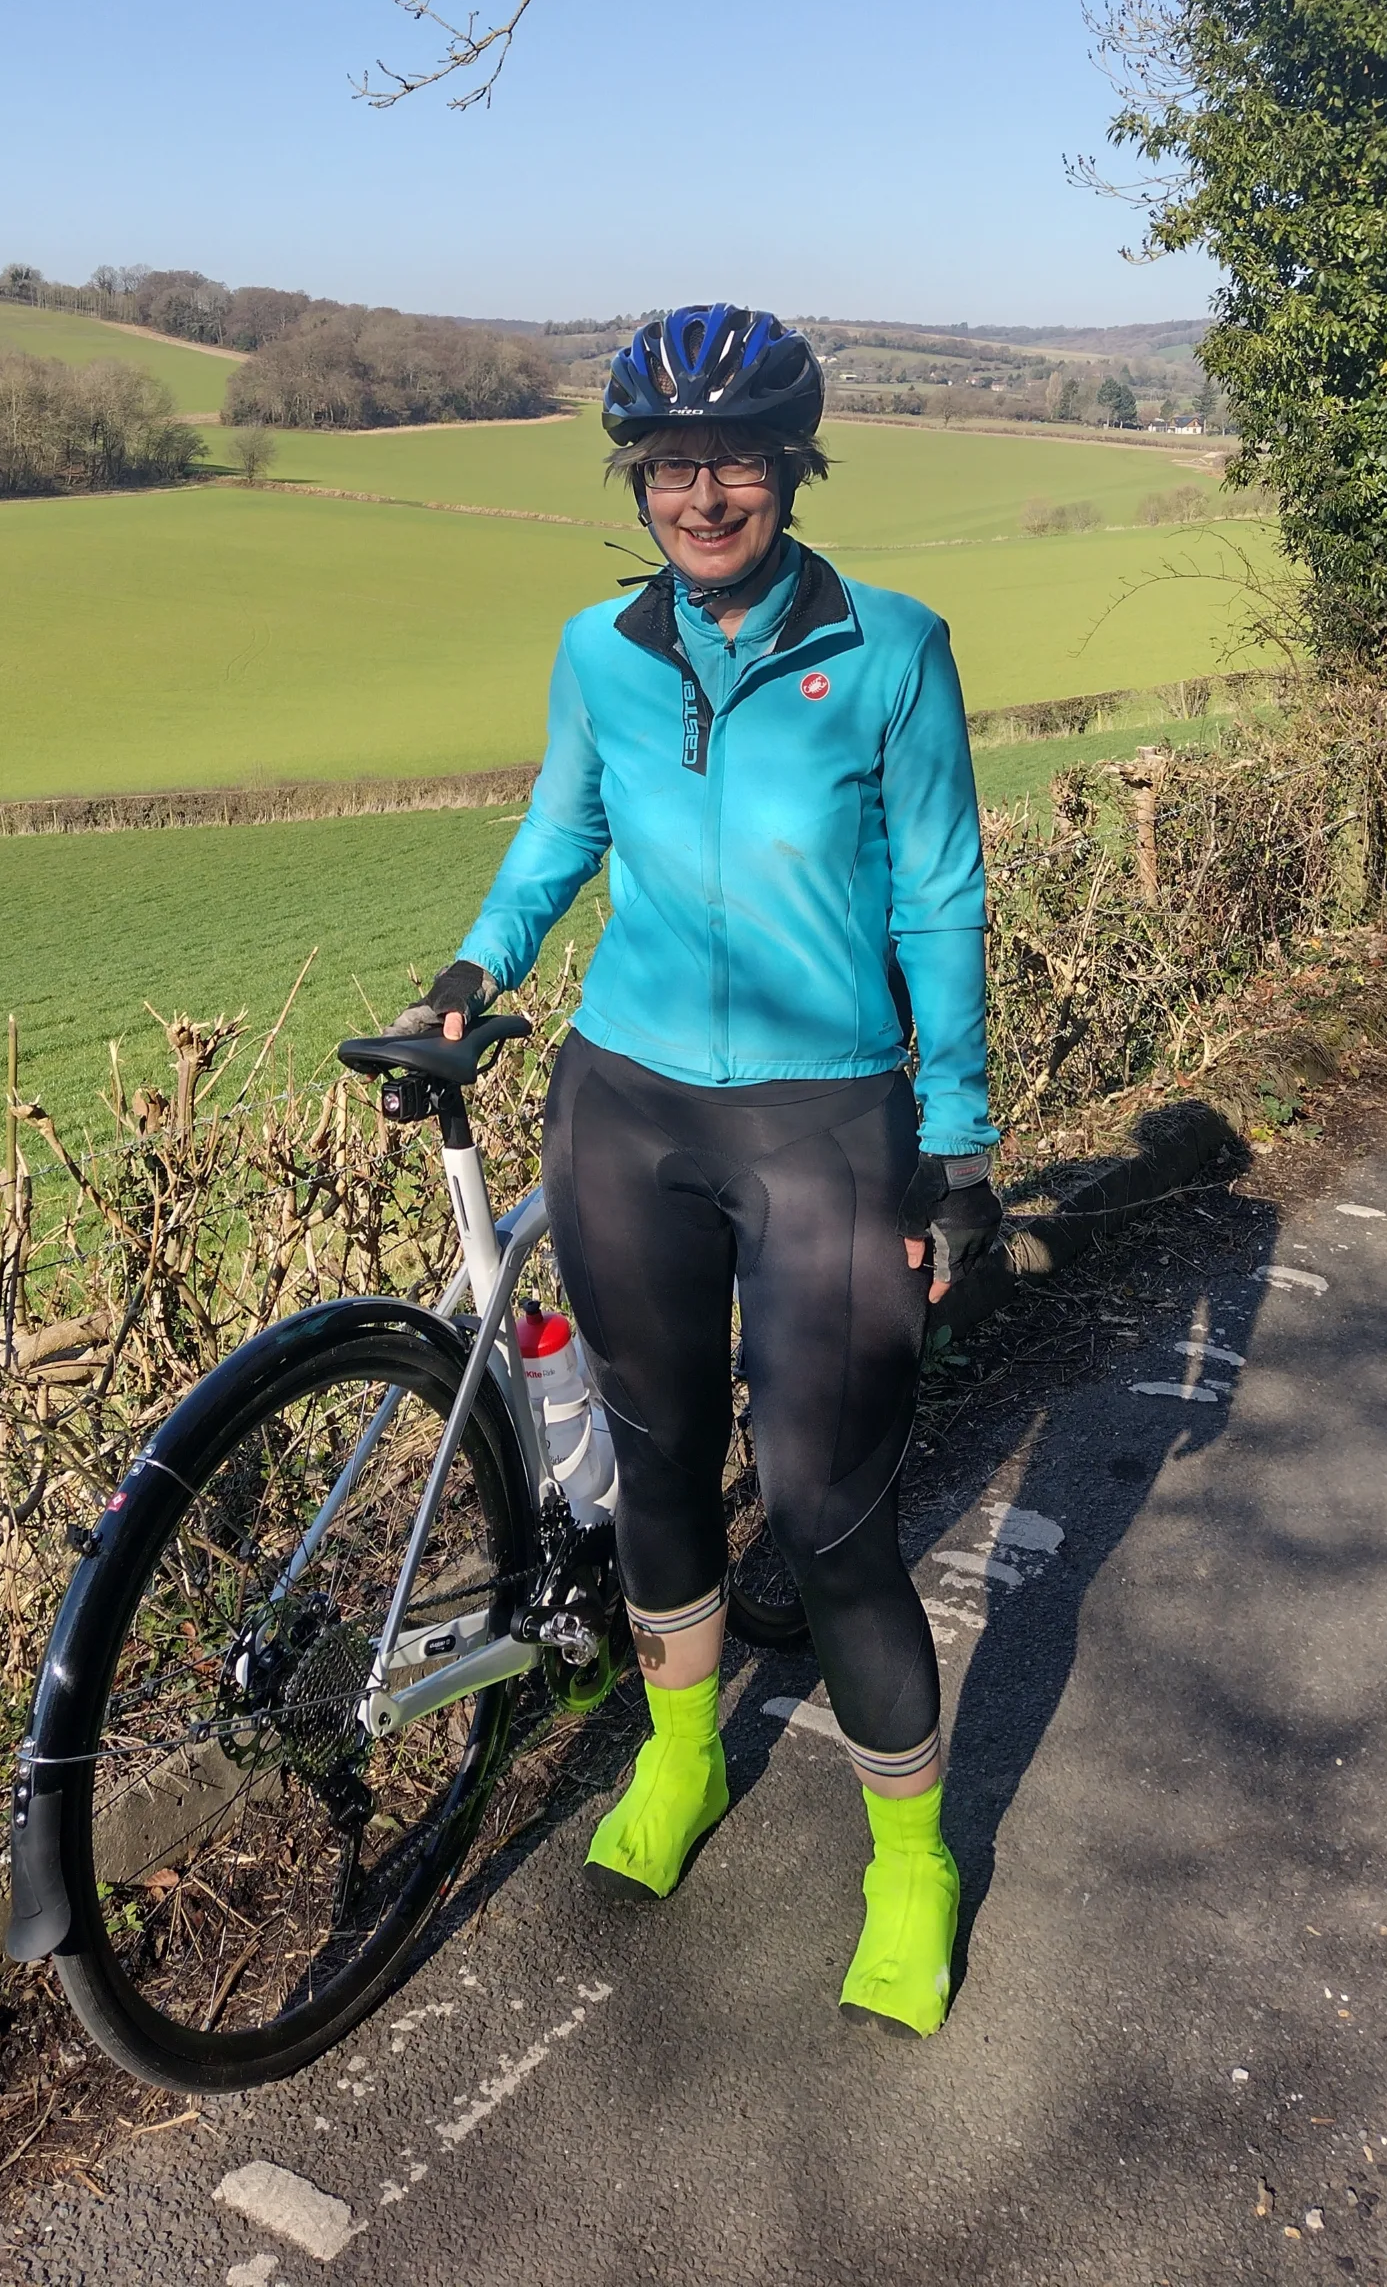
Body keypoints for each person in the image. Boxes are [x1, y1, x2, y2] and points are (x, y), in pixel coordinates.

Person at [393, 304, 997, 2036]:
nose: (703, 493)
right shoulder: (600, 648)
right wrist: (471, 971)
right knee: (657, 1470)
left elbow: (940, 895)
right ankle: (680, 1758)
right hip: (628, 1110)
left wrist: (955, 1144)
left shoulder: (891, 648)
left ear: (793, 471)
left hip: (828, 1123)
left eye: (738, 461)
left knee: (827, 1517)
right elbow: (561, 828)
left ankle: (910, 1865)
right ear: (634, 478)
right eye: (669, 466)